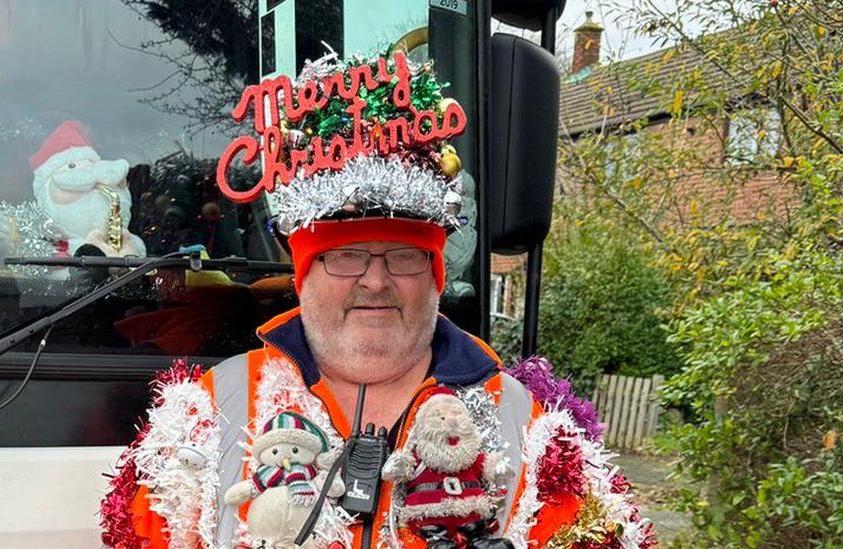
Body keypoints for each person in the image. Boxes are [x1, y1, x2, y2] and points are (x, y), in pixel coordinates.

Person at [100, 52, 655, 549]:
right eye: (344, 256)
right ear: (303, 274)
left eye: (405, 256)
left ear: (437, 275)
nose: (374, 280)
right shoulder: (205, 415)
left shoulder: (530, 430)